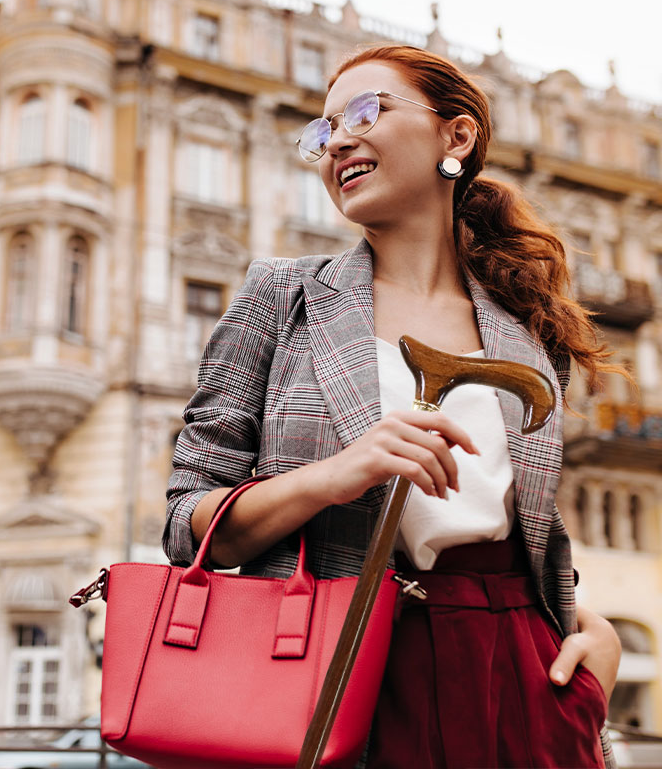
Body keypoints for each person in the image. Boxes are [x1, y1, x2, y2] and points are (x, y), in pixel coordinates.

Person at [165, 45, 623, 769]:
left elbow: (531, 527)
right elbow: (187, 527)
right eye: (323, 132)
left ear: (457, 136)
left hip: (526, 680)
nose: (338, 140)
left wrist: (595, 639)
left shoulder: (527, 326)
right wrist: (337, 474)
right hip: (344, 674)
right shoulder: (281, 297)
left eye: (365, 112)